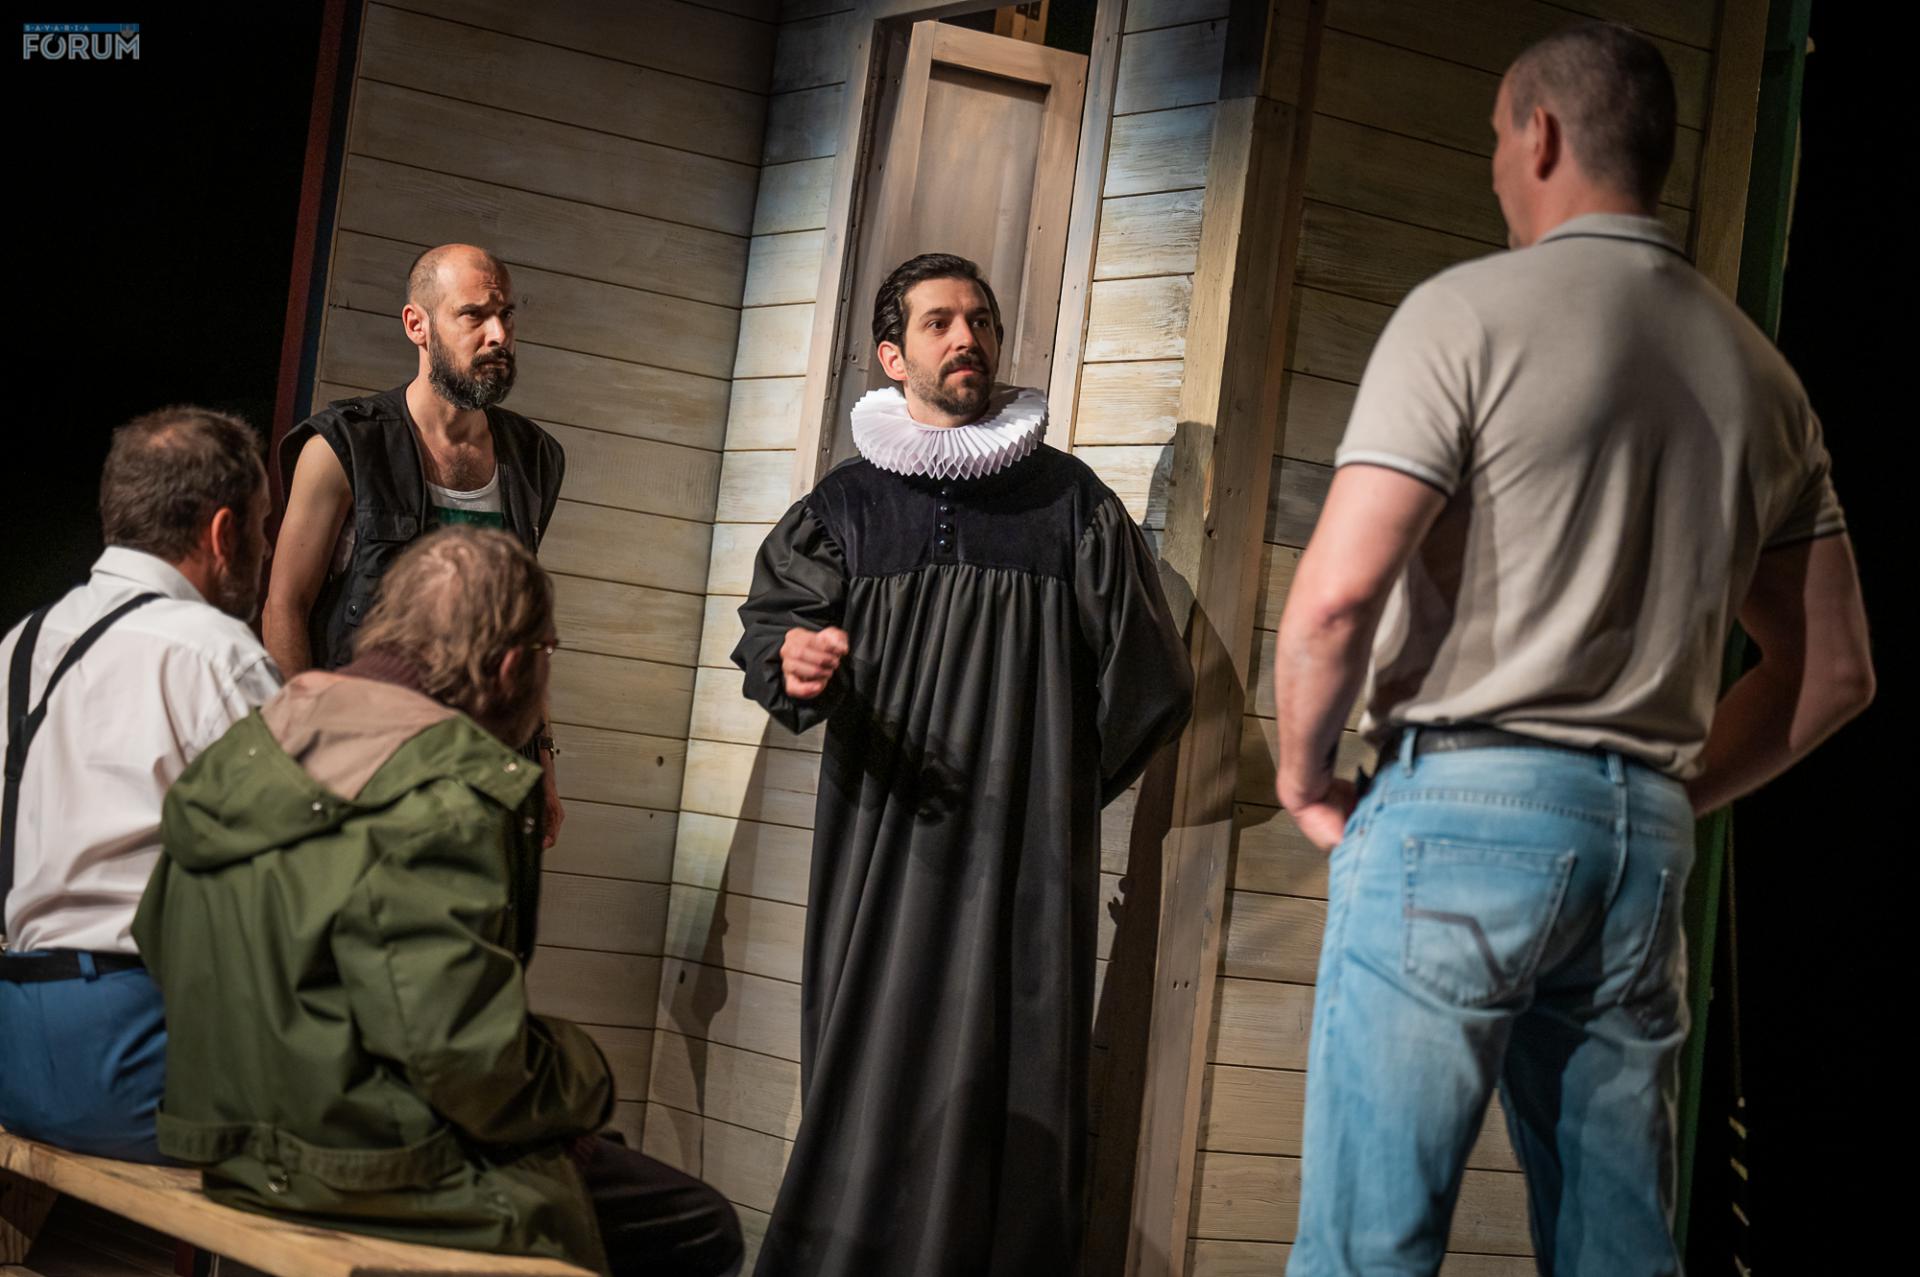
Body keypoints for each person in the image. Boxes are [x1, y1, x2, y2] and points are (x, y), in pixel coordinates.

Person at [1272, 22, 1873, 1276]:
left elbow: (1335, 599)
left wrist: (1305, 774)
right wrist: (1658, 793)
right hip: (1640, 845)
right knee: (1618, 1253)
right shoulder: (1764, 376)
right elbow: (1832, 675)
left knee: (1368, 1248)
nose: (1497, 164)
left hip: (1457, 809)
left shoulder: (1463, 313)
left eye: (1498, 136)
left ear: (1540, 134)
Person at [733, 252, 1194, 1275]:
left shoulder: (1069, 504)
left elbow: (1150, 681)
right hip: (884, 850)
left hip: (1026, 871)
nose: (967, 337)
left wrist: (1055, 796)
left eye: (980, 319)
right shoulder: (847, 507)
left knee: (1015, 1079)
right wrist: (795, 662)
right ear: (892, 356)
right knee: (872, 1063)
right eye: (939, 322)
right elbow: (775, 629)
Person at [133, 528, 742, 1277]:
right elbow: (465, 1063)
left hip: (226, 1139)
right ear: (513, 666)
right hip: (364, 1163)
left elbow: (156, 935)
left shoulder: (251, 744)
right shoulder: (443, 795)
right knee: (698, 1224)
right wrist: (584, 1075)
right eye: (549, 653)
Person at [0, 406, 278, 1162]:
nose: (266, 546)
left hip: (15, 1053)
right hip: (141, 1056)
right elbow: (295, 877)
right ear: (223, 533)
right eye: (262, 524)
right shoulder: (217, 654)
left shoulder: (21, 644)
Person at [264, 242, 567, 845]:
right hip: (365, 765)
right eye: (474, 315)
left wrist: (543, 765)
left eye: (506, 315)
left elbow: (522, 633)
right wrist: (308, 759)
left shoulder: (534, 458)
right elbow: (284, 608)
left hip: (484, 777)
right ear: (416, 325)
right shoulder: (344, 447)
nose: (498, 335)